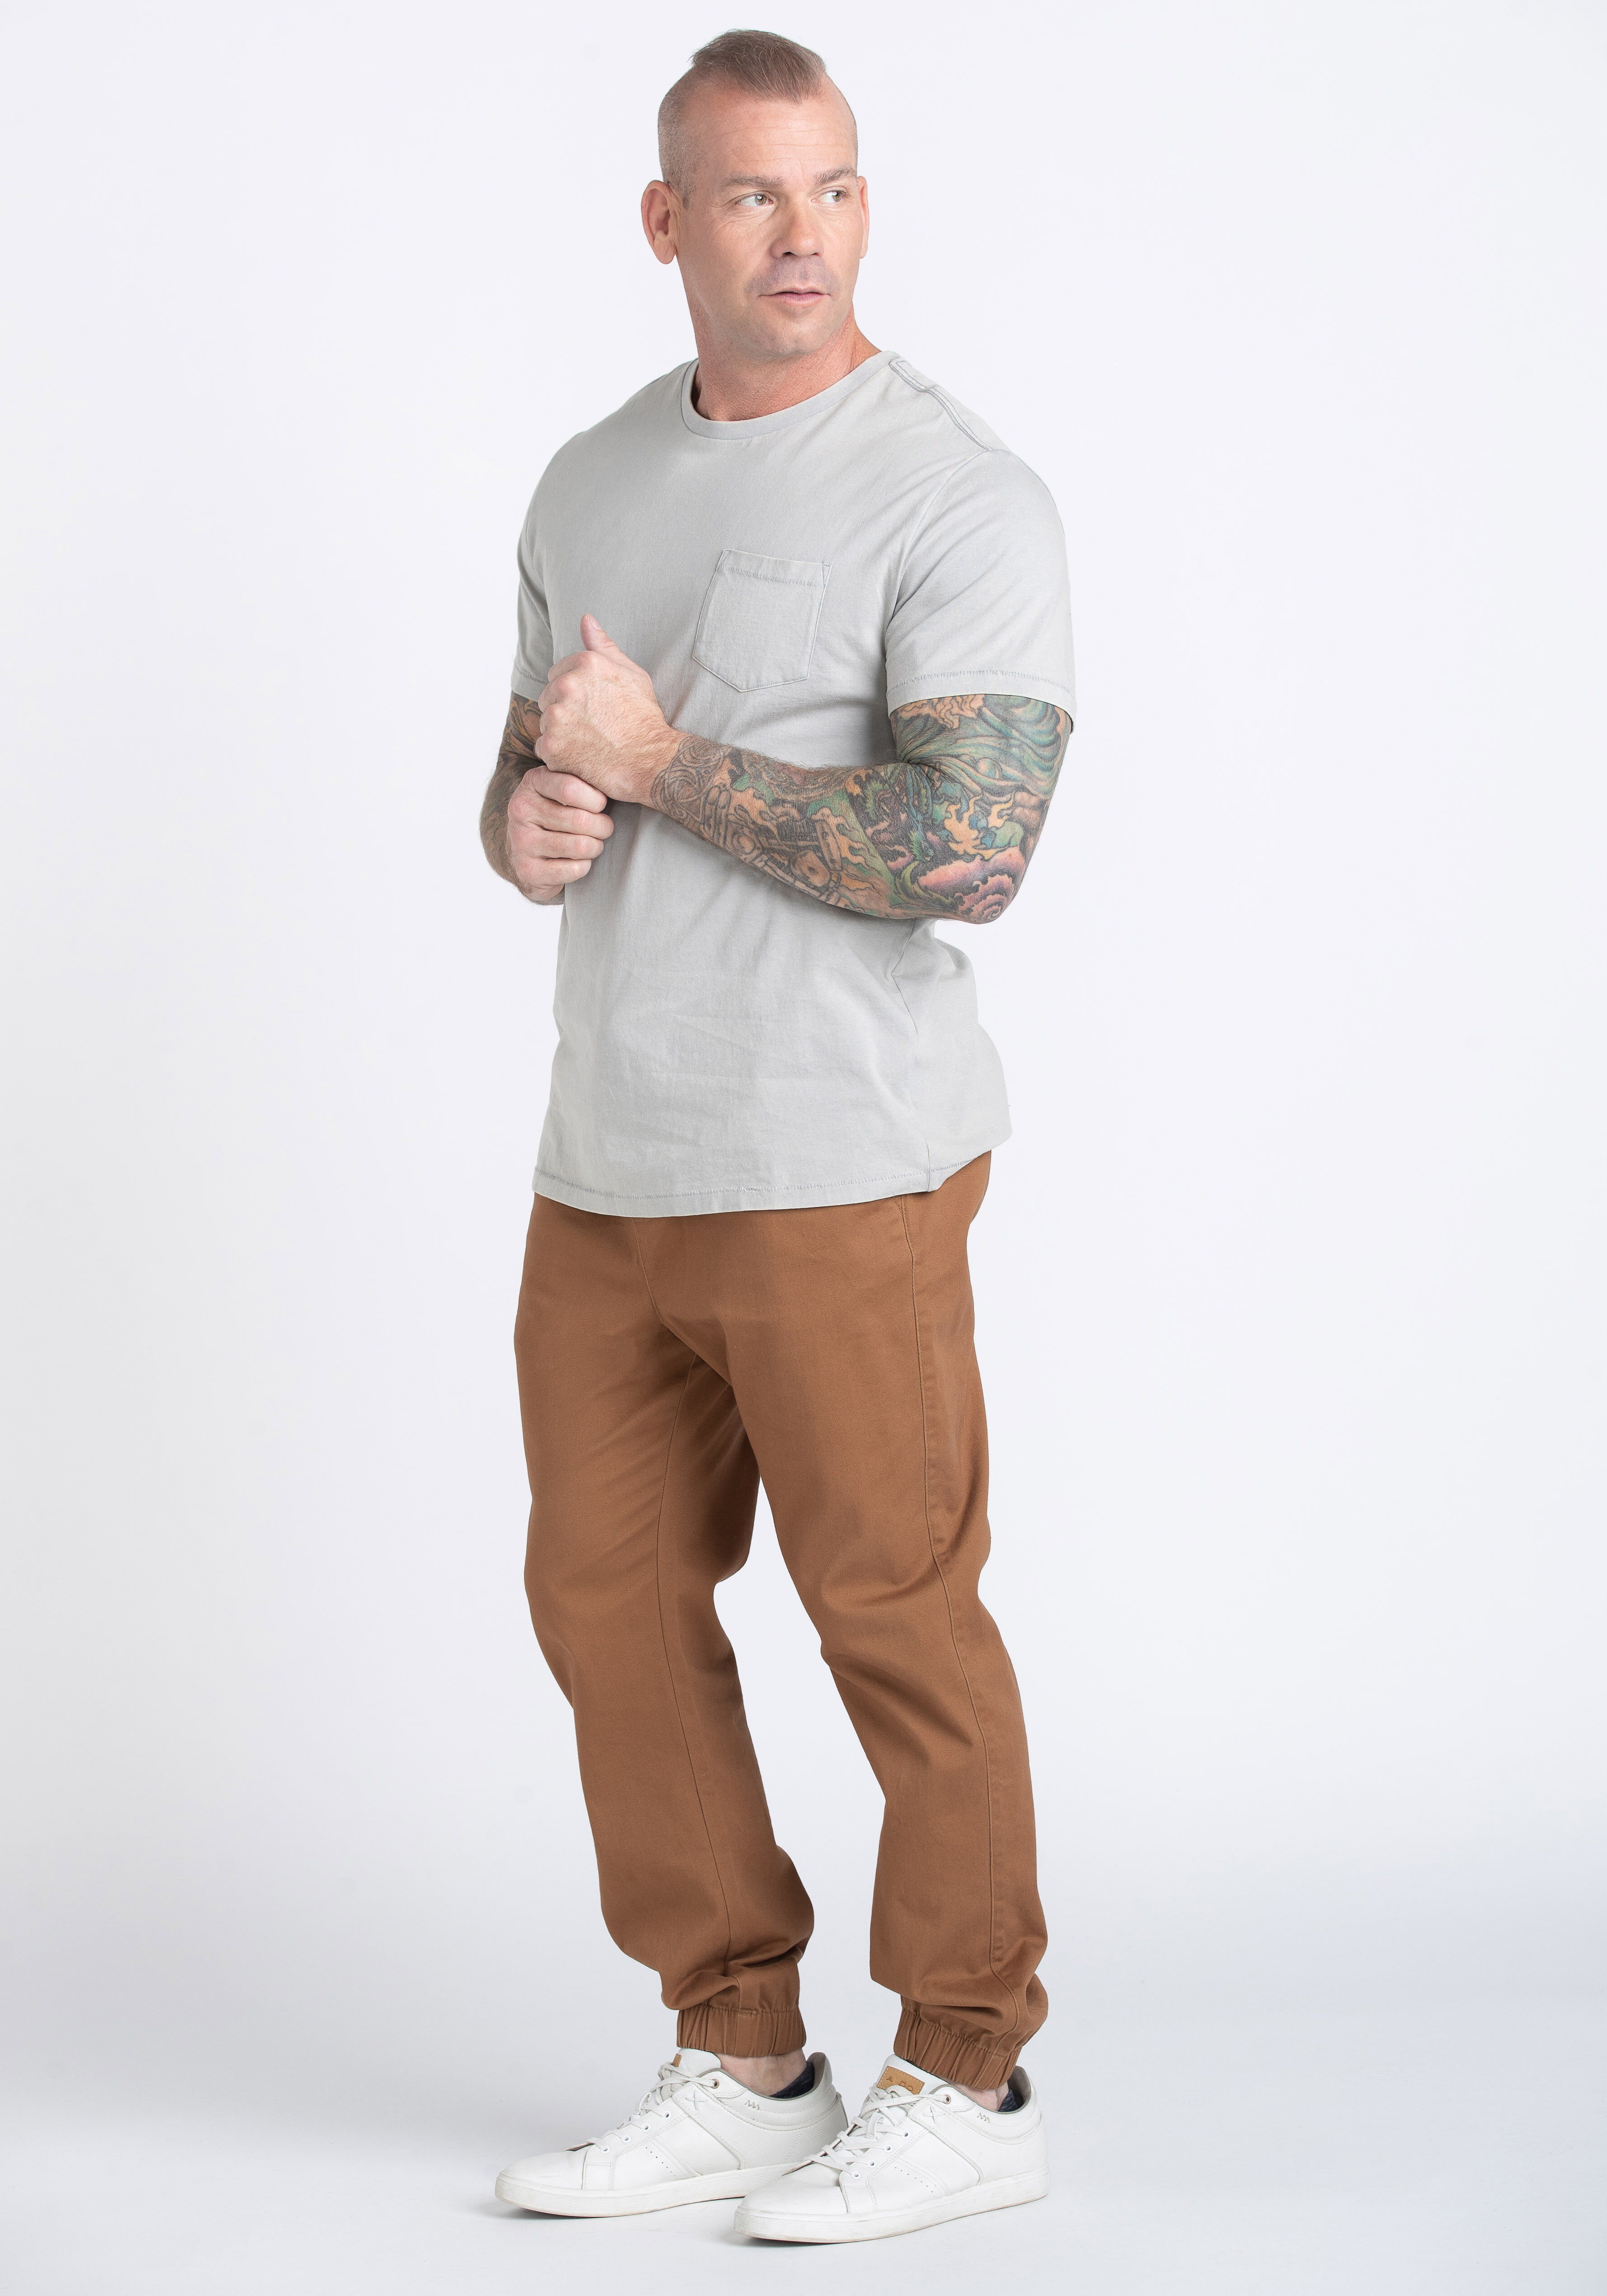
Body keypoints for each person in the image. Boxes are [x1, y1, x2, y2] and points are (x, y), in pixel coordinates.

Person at [479, 28, 1074, 2245]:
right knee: (606, 1602)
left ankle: (970, 2074)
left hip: (843, 1158)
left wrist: (660, 767)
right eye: (748, 195)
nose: (799, 234)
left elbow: (973, 851)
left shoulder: (958, 494)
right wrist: (529, 817)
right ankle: (738, 2048)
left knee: (892, 1612)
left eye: (829, 189)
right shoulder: (589, 477)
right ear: (668, 221)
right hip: (608, 1157)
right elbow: (531, 761)